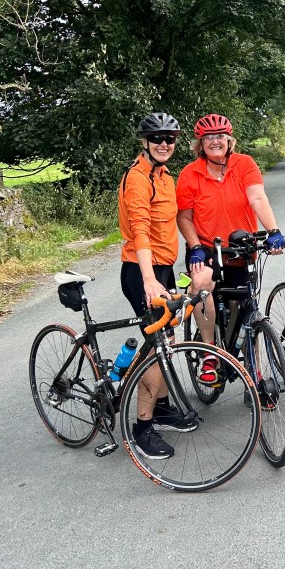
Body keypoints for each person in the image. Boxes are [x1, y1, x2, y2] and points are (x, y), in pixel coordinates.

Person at [176, 114, 284, 381]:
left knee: (246, 307)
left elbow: (257, 197)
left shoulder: (244, 164)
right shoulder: (190, 174)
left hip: (240, 246)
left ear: (229, 140)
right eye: (209, 137)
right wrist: (194, 246)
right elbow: (184, 216)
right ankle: (210, 355)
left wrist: (273, 231)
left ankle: (255, 376)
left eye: (220, 136)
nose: (215, 141)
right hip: (206, 247)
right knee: (201, 284)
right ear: (200, 144)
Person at [118, 112, 195, 461]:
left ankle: (162, 408)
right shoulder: (137, 179)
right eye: (157, 138)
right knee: (155, 348)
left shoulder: (166, 177)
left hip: (163, 269)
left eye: (170, 138)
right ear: (144, 142)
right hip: (140, 270)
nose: (165, 144)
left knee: (169, 341)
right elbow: (140, 231)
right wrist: (150, 279)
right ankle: (142, 428)